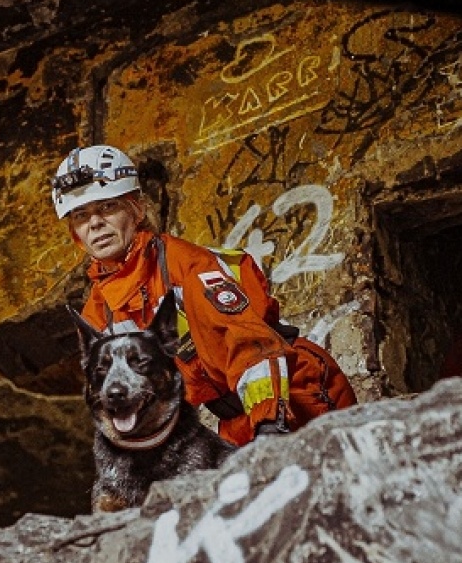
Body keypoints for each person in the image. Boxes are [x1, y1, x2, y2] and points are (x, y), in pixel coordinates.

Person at [53, 144, 357, 446]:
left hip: (298, 392)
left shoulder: (185, 266)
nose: (95, 223)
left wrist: (269, 425)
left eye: (108, 207)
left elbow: (250, 345)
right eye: (81, 215)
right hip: (235, 419)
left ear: (137, 210)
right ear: (75, 232)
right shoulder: (100, 311)